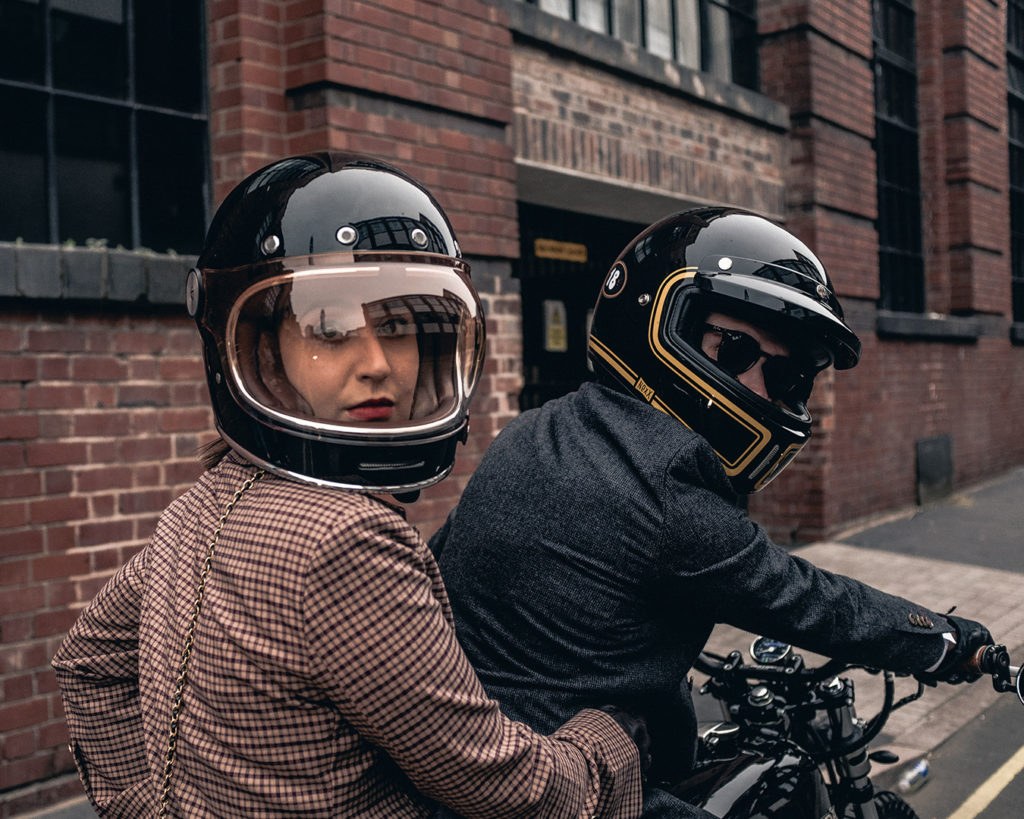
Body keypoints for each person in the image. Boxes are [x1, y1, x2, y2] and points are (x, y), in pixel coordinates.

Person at [52, 152, 647, 818]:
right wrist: (608, 740)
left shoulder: (198, 507)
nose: (375, 364)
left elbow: (87, 659)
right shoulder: (345, 543)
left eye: (396, 326)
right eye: (330, 329)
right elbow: (501, 785)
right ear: (260, 347)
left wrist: (144, 806)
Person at [429, 207, 996, 817]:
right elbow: (811, 601)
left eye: (784, 374)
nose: (757, 388)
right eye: (731, 350)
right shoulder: (667, 489)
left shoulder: (538, 428)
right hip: (560, 786)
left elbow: (442, 562)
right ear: (657, 323)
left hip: (468, 759)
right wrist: (947, 642)